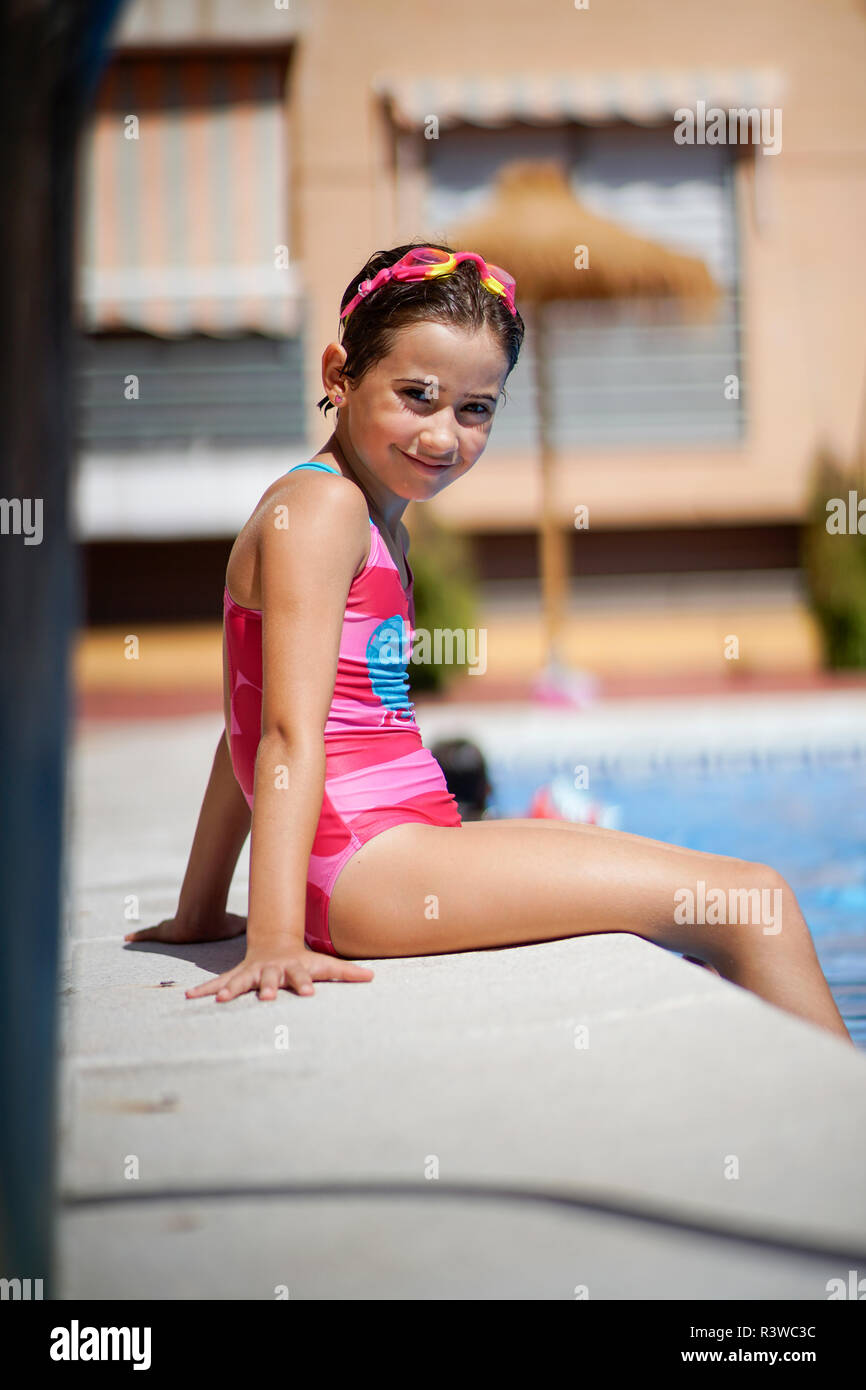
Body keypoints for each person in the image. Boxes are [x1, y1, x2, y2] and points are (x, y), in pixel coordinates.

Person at [126, 242, 853, 1046]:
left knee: (682, 883)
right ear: (338, 374)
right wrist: (273, 940)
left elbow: (244, 714)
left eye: (476, 409)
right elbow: (285, 737)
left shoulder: (364, 519)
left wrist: (200, 912)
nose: (444, 435)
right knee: (755, 902)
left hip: (391, 847)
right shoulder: (324, 515)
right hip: (369, 865)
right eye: (418, 396)